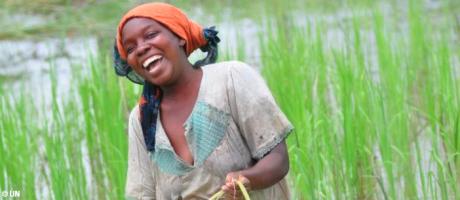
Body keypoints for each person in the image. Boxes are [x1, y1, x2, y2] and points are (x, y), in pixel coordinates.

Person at [113, 2, 293, 200]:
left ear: (179, 36)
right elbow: (141, 194)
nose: (141, 48)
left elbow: (278, 159)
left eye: (150, 35)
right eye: (130, 48)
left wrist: (247, 179)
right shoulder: (142, 119)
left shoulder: (231, 79)